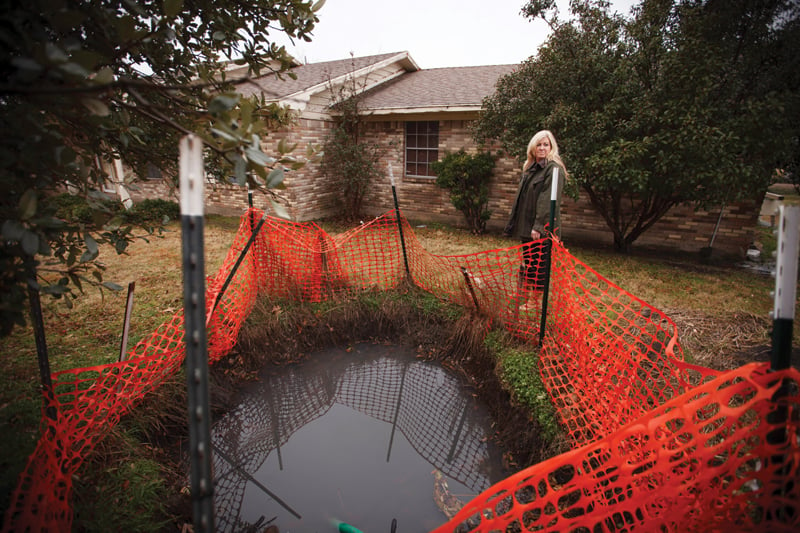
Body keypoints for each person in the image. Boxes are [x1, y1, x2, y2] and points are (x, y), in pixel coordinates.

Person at [503, 130, 567, 311]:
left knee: (539, 265)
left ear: (551, 147)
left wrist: (539, 227)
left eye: (546, 144)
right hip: (527, 225)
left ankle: (534, 301)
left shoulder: (553, 169)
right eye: (539, 144)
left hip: (540, 228)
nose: (542, 148)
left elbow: (547, 200)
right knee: (530, 262)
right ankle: (528, 294)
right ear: (533, 147)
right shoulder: (531, 168)